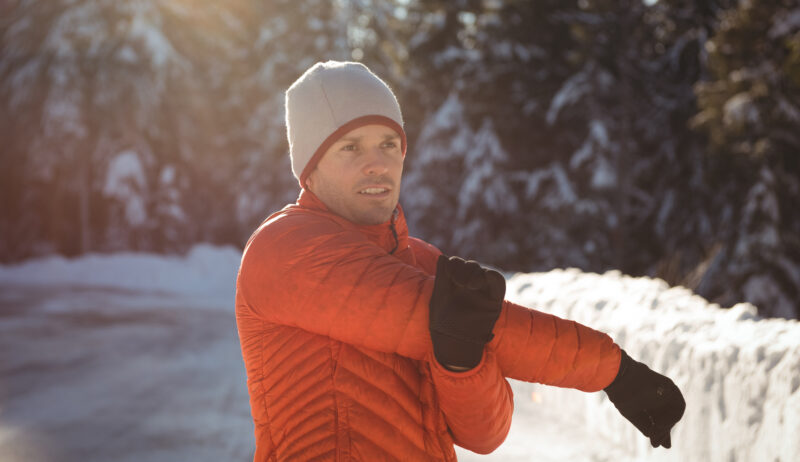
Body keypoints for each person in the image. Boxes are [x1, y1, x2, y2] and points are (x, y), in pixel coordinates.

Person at [235, 60, 685, 461]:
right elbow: (472, 327)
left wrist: (462, 364)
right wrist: (613, 370)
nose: (377, 164)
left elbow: (486, 435)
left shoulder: (424, 262)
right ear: (309, 168)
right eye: (350, 147)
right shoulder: (285, 248)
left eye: (389, 144)